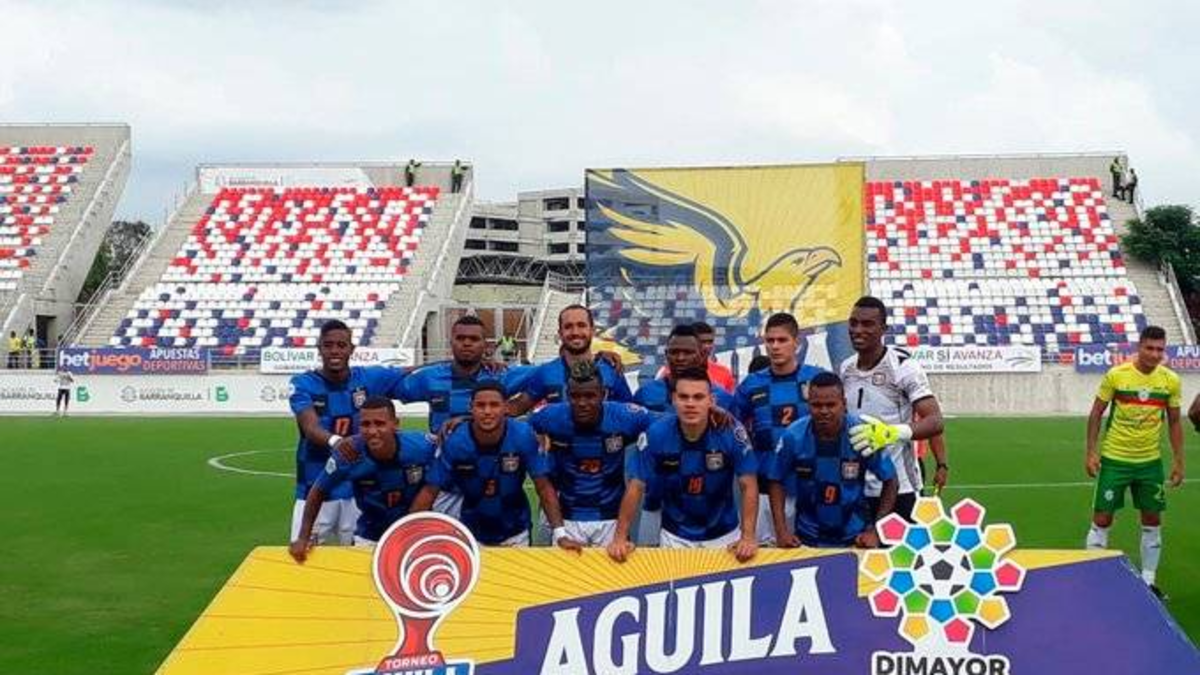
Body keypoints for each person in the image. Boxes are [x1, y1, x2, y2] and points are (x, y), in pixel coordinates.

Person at [608, 369, 759, 562]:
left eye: (698, 397)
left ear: (711, 401)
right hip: (675, 537)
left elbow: (748, 484)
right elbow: (636, 486)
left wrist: (748, 536)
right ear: (673, 399)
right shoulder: (657, 433)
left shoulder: (731, 431)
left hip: (725, 536)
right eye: (684, 397)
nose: (690, 404)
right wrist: (620, 538)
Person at [1085, 325, 1184, 600]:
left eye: (1160, 349)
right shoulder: (1117, 375)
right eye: (1149, 348)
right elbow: (1096, 413)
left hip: (1149, 463)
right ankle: (1092, 577)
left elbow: (1175, 421)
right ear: (1139, 347)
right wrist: (1091, 452)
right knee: (1102, 518)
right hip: (1115, 460)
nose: (1154, 354)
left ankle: (1148, 581)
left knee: (1152, 519)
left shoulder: (1170, 380)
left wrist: (1179, 461)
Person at [288, 320, 408, 546]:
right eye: (328, 345)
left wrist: (464, 364)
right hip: (313, 488)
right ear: (319, 348)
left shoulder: (368, 378)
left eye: (341, 345)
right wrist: (336, 441)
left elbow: (409, 371)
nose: (335, 351)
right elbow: (310, 427)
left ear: (351, 349)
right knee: (300, 557)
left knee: (359, 559)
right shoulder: (303, 383)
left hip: (357, 491)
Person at [412, 382, 559, 546]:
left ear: (506, 408)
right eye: (480, 405)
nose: (487, 411)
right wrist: (406, 533)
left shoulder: (522, 435)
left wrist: (560, 533)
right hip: (472, 533)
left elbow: (543, 486)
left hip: (517, 532)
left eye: (494, 405)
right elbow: (430, 490)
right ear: (471, 408)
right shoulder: (456, 442)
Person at [289, 397, 435, 561]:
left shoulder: (421, 446)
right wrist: (303, 537)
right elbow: (318, 491)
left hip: (416, 535)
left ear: (395, 424)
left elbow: (448, 454)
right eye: (365, 424)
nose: (372, 431)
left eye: (379, 424)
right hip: (370, 537)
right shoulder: (349, 453)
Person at [840, 296, 946, 520]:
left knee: (901, 544)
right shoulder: (846, 368)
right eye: (853, 323)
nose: (858, 330)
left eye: (867, 324)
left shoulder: (903, 367)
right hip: (856, 487)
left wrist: (891, 433)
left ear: (883, 329)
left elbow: (935, 421)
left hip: (901, 488)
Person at [529, 361, 654, 547]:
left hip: (612, 520)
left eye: (590, 396)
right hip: (566, 518)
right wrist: (539, 443)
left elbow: (663, 426)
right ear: (567, 394)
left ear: (603, 394)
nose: (582, 403)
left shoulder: (625, 417)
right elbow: (524, 428)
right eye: (575, 396)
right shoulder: (550, 417)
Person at [768, 372, 898, 548]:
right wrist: (781, 531)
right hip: (807, 539)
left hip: (855, 538)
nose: (824, 411)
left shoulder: (862, 433)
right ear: (808, 404)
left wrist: (877, 530)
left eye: (831, 405)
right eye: (816, 405)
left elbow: (891, 481)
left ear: (844, 403)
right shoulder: (793, 436)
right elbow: (776, 480)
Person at [732, 312, 826, 545]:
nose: (775, 346)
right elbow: (734, 426)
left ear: (796, 342)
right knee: (764, 553)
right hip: (764, 484)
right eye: (770, 340)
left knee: (809, 553)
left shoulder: (816, 379)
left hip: (809, 483)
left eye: (782, 340)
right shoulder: (752, 383)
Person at [508, 304, 633, 415]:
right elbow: (516, 408)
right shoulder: (546, 372)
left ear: (592, 330)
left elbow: (631, 413)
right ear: (560, 333)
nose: (575, 332)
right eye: (568, 327)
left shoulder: (611, 368)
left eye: (581, 325)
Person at [636, 324, 736, 413]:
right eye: (674, 352)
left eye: (688, 352)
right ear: (666, 354)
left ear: (701, 355)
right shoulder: (645, 394)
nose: (680, 358)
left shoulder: (722, 398)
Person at [653, 321, 736, 392]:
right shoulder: (665, 373)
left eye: (710, 342)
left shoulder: (724, 372)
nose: (706, 346)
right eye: (702, 342)